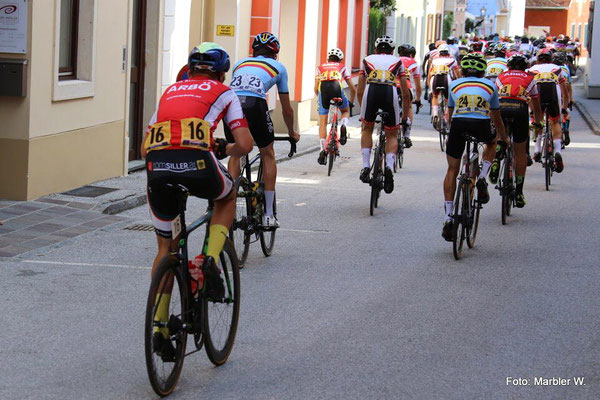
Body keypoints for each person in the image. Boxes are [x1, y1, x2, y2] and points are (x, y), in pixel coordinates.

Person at [142, 43, 253, 359]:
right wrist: (224, 149)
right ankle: (210, 259)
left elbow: (144, 147)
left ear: (189, 70)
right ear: (221, 73)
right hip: (199, 164)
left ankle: (160, 326)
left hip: (158, 167)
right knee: (227, 195)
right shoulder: (225, 92)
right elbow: (245, 144)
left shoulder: (169, 91)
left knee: (166, 248)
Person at [225, 32, 300, 228]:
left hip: (231, 104)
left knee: (236, 152)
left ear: (254, 51)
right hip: (255, 104)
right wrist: (291, 133)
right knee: (267, 153)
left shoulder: (239, 64)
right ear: (275, 53)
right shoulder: (279, 67)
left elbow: (238, 93)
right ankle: (268, 215)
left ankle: (228, 210)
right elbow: (287, 110)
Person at [441, 53, 508, 241]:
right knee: (491, 143)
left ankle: (448, 217)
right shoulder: (490, 85)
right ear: (482, 72)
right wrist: (503, 137)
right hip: (481, 125)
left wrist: (452, 133)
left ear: (463, 70)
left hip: (458, 125)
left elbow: (450, 115)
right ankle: (483, 177)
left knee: (452, 169)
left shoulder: (454, 84)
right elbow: (496, 117)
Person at [357, 35, 410, 194]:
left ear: (375, 49)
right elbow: (405, 94)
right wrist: (404, 117)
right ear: (393, 50)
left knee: (367, 129)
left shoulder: (366, 60)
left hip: (371, 92)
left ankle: (366, 166)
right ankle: (388, 166)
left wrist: (363, 112)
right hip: (389, 92)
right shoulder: (397, 61)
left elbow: (360, 91)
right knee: (392, 134)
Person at [492, 54, 542, 208]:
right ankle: (519, 192)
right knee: (519, 151)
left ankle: (497, 155)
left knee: (501, 134)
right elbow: (536, 104)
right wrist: (537, 122)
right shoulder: (529, 78)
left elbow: (493, 97)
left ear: (509, 66)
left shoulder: (501, 76)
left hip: (502, 107)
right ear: (525, 67)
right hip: (520, 109)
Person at [527, 48, 568, 172]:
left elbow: (528, 91)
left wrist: (531, 109)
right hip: (553, 93)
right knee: (555, 122)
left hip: (538, 93)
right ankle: (558, 151)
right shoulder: (557, 68)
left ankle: (537, 149)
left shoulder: (531, 70)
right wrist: (564, 108)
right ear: (551, 59)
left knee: (538, 120)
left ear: (538, 59)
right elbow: (565, 92)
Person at [314, 48, 356, 164]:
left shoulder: (320, 67)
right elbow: (352, 87)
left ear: (328, 59)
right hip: (337, 88)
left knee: (323, 121)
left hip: (323, 91)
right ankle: (343, 125)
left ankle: (322, 150)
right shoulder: (342, 67)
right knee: (345, 111)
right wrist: (351, 102)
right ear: (340, 59)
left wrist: (320, 98)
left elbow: (316, 88)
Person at [428, 44, 461, 129]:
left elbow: (429, 75)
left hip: (435, 79)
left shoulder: (434, 61)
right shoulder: (452, 60)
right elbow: (458, 75)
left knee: (435, 96)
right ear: (448, 52)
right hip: (447, 79)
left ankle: (435, 114)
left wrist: (429, 85)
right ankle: (446, 116)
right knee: (448, 99)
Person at [397, 43, 423, 148]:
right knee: (409, 106)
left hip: (391, 87)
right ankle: (407, 135)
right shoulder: (413, 63)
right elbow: (418, 86)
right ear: (411, 55)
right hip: (406, 87)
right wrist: (418, 99)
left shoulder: (395, 60)